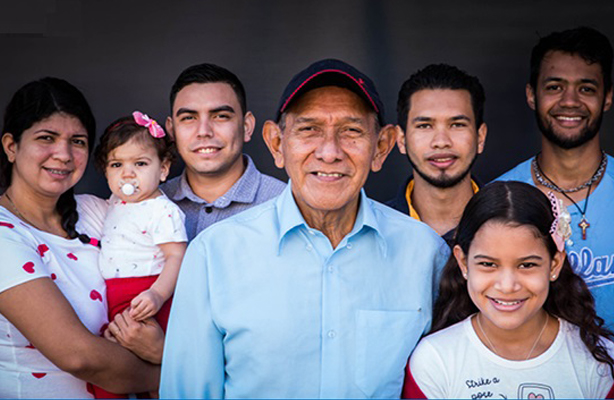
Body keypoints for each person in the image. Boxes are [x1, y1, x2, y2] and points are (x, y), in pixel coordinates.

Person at [160, 59, 449, 398]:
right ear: (276, 144)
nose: (329, 152)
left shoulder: (425, 253)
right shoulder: (213, 254)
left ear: (381, 147)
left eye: (351, 131)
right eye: (309, 129)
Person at [0, 78, 161, 398]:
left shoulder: (98, 212)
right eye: (47, 138)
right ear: (11, 146)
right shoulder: (5, 233)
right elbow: (79, 355)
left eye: (78, 141)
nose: (63, 154)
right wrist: (178, 368)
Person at [404, 181, 614, 399]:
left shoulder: (597, 363)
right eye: (488, 264)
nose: (507, 286)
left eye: (527, 265)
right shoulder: (434, 361)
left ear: (554, 265)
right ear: (463, 263)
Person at [496, 27, 614, 329]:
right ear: (531, 95)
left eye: (586, 88)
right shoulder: (500, 197)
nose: (570, 101)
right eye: (554, 87)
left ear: (608, 97)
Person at [90, 112, 188, 398]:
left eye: (140, 163)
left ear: (163, 169)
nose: (128, 173)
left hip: (150, 295)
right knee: (113, 373)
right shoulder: (113, 204)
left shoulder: (162, 210)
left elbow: (177, 257)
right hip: (115, 297)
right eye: (117, 164)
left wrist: (157, 295)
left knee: (154, 379)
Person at [162, 63, 285, 240]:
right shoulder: (149, 201)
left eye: (220, 116)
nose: (204, 131)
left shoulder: (284, 205)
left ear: (247, 126)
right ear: (172, 130)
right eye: (189, 118)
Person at [387, 64, 486, 245]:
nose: (441, 141)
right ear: (401, 139)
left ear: (480, 137)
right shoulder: (376, 231)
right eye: (424, 126)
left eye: (457, 125)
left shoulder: (512, 224)